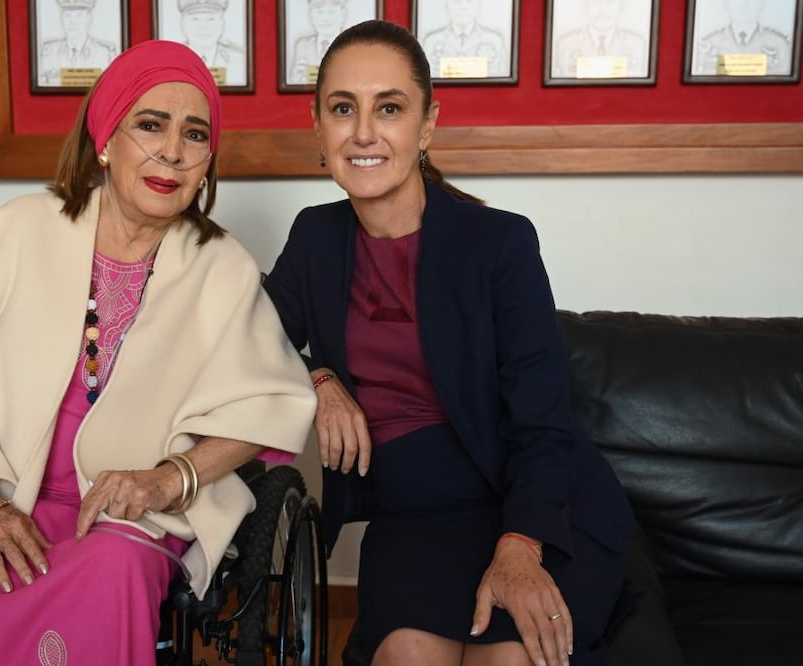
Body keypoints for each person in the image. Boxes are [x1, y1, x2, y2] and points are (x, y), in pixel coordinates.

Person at [0, 40, 316, 666]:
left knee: (114, 568)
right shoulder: (21, 230)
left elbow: (268, 406)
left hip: (124, 520)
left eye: (195, 135)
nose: (172, 151)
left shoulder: (222, 269)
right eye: (150, 125)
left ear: (206, 163)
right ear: (106, 139)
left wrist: (168, 478)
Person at [264, 19, 633, 666]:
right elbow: (250, 343)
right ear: (317, 124)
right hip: (415, 518)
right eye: (342, 109)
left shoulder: (498, 243)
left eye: (390, 108)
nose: (364, 132)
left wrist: (520, 546)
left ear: (427, 125)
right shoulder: (315, 239)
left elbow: (543, 423)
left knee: (509, 660)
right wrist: (319, 379)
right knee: (406, 654)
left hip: (530, 505)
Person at [694, 0, 793, 76]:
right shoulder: (710, 43)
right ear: (727, 3)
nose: (744, 5)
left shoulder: (779, 44)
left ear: (761, 3)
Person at [552, 0, 648, 78]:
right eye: (596, 1)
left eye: (610, 2)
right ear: (586, 7)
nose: (602, 10)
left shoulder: (637, 44)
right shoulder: (565, 44)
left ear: (621, 7)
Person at [38, 0, 119, 86]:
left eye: (79, 16)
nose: (72, 21)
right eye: (67, 16)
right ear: (61, 19)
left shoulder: (104, 53)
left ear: (89, 19)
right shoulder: (49, 52)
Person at [421, 0, 508, 78]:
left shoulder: (495, 41)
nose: (463, 7)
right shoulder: (431, 41)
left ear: (478, 4)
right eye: (457, 1)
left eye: (469, 1)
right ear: (447, 5)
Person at [178, 0, 247, 86]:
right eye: (195, 19)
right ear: (183, 23)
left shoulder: (238, 58)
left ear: (222, 23)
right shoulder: (174, 59)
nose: (203, 27)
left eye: (211, 19)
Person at [288, 0, 348, 84]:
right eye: (319, 12)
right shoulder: (302, 45)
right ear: (311, 16)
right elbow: (293, 80)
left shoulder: (351, 45)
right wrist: (296, 79)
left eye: (331, 12)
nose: (325, 18)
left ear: (343, 15)